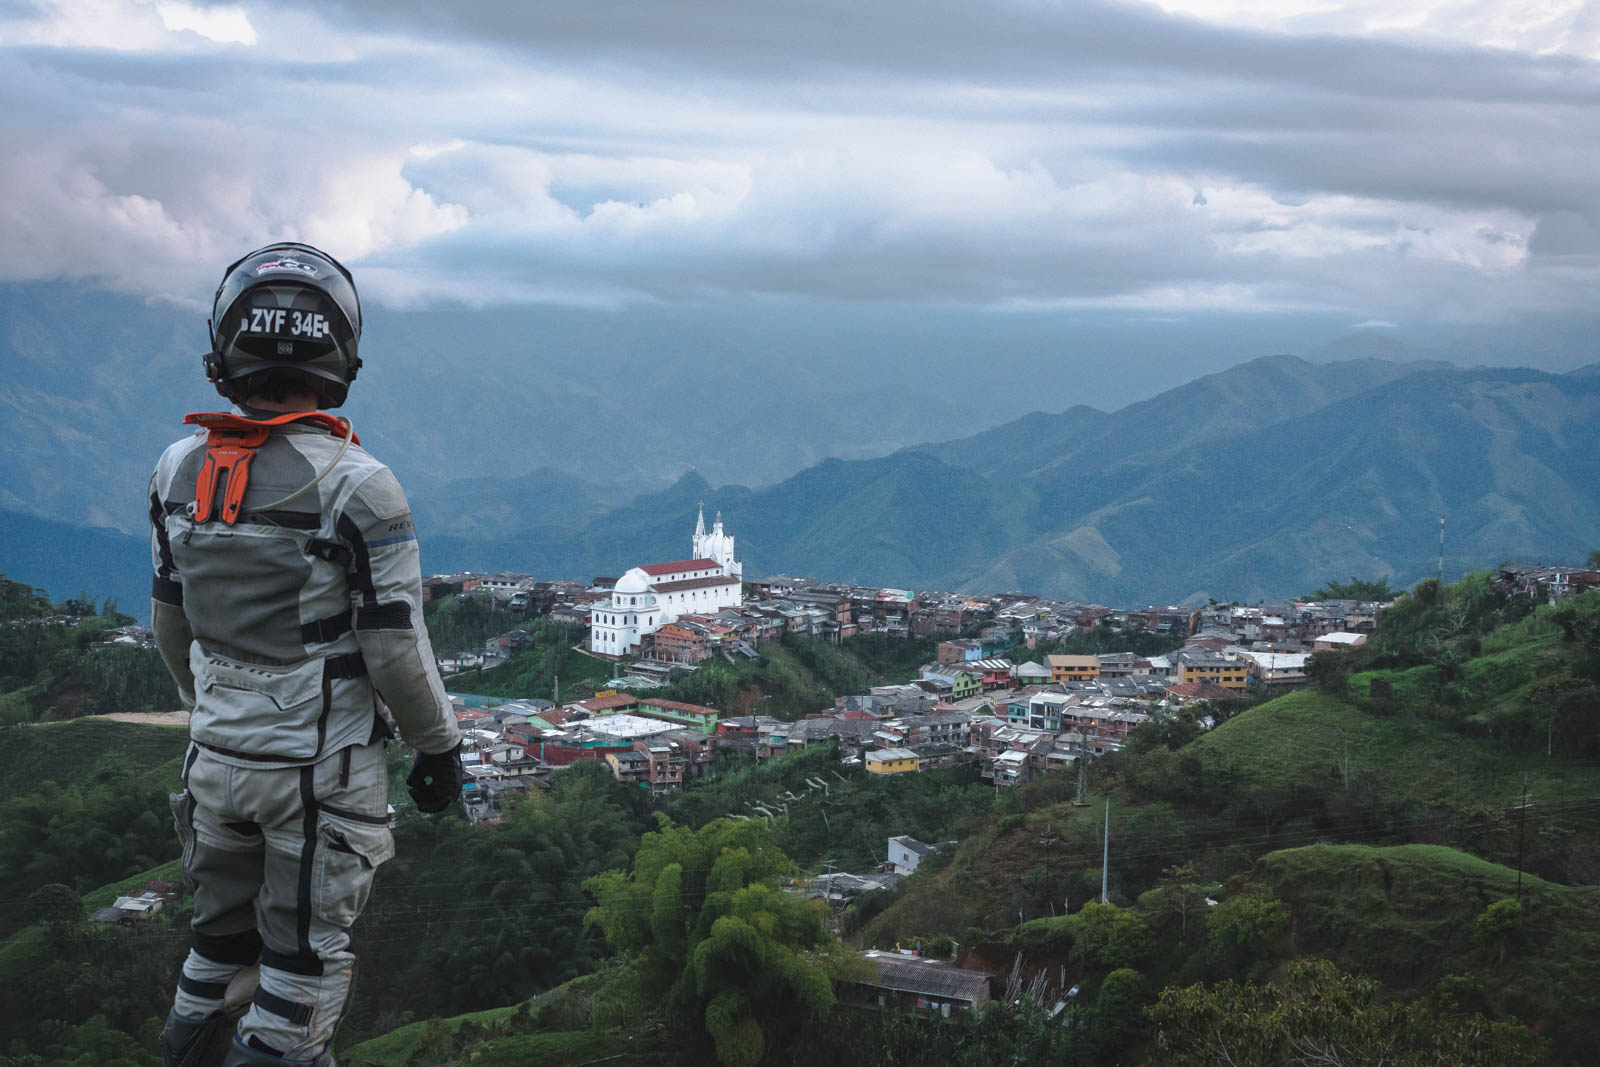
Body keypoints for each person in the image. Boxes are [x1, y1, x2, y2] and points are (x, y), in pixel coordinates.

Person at [150, 242, 464, 1067]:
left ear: (226, 352)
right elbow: (396, 647)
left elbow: (170, 626)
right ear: (341, 355)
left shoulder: (177, 471)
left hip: (213, 763)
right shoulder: (360, 486)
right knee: (298, 978)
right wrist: (440, 747)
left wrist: (217, 710)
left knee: (215, 955)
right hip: (316, 776)